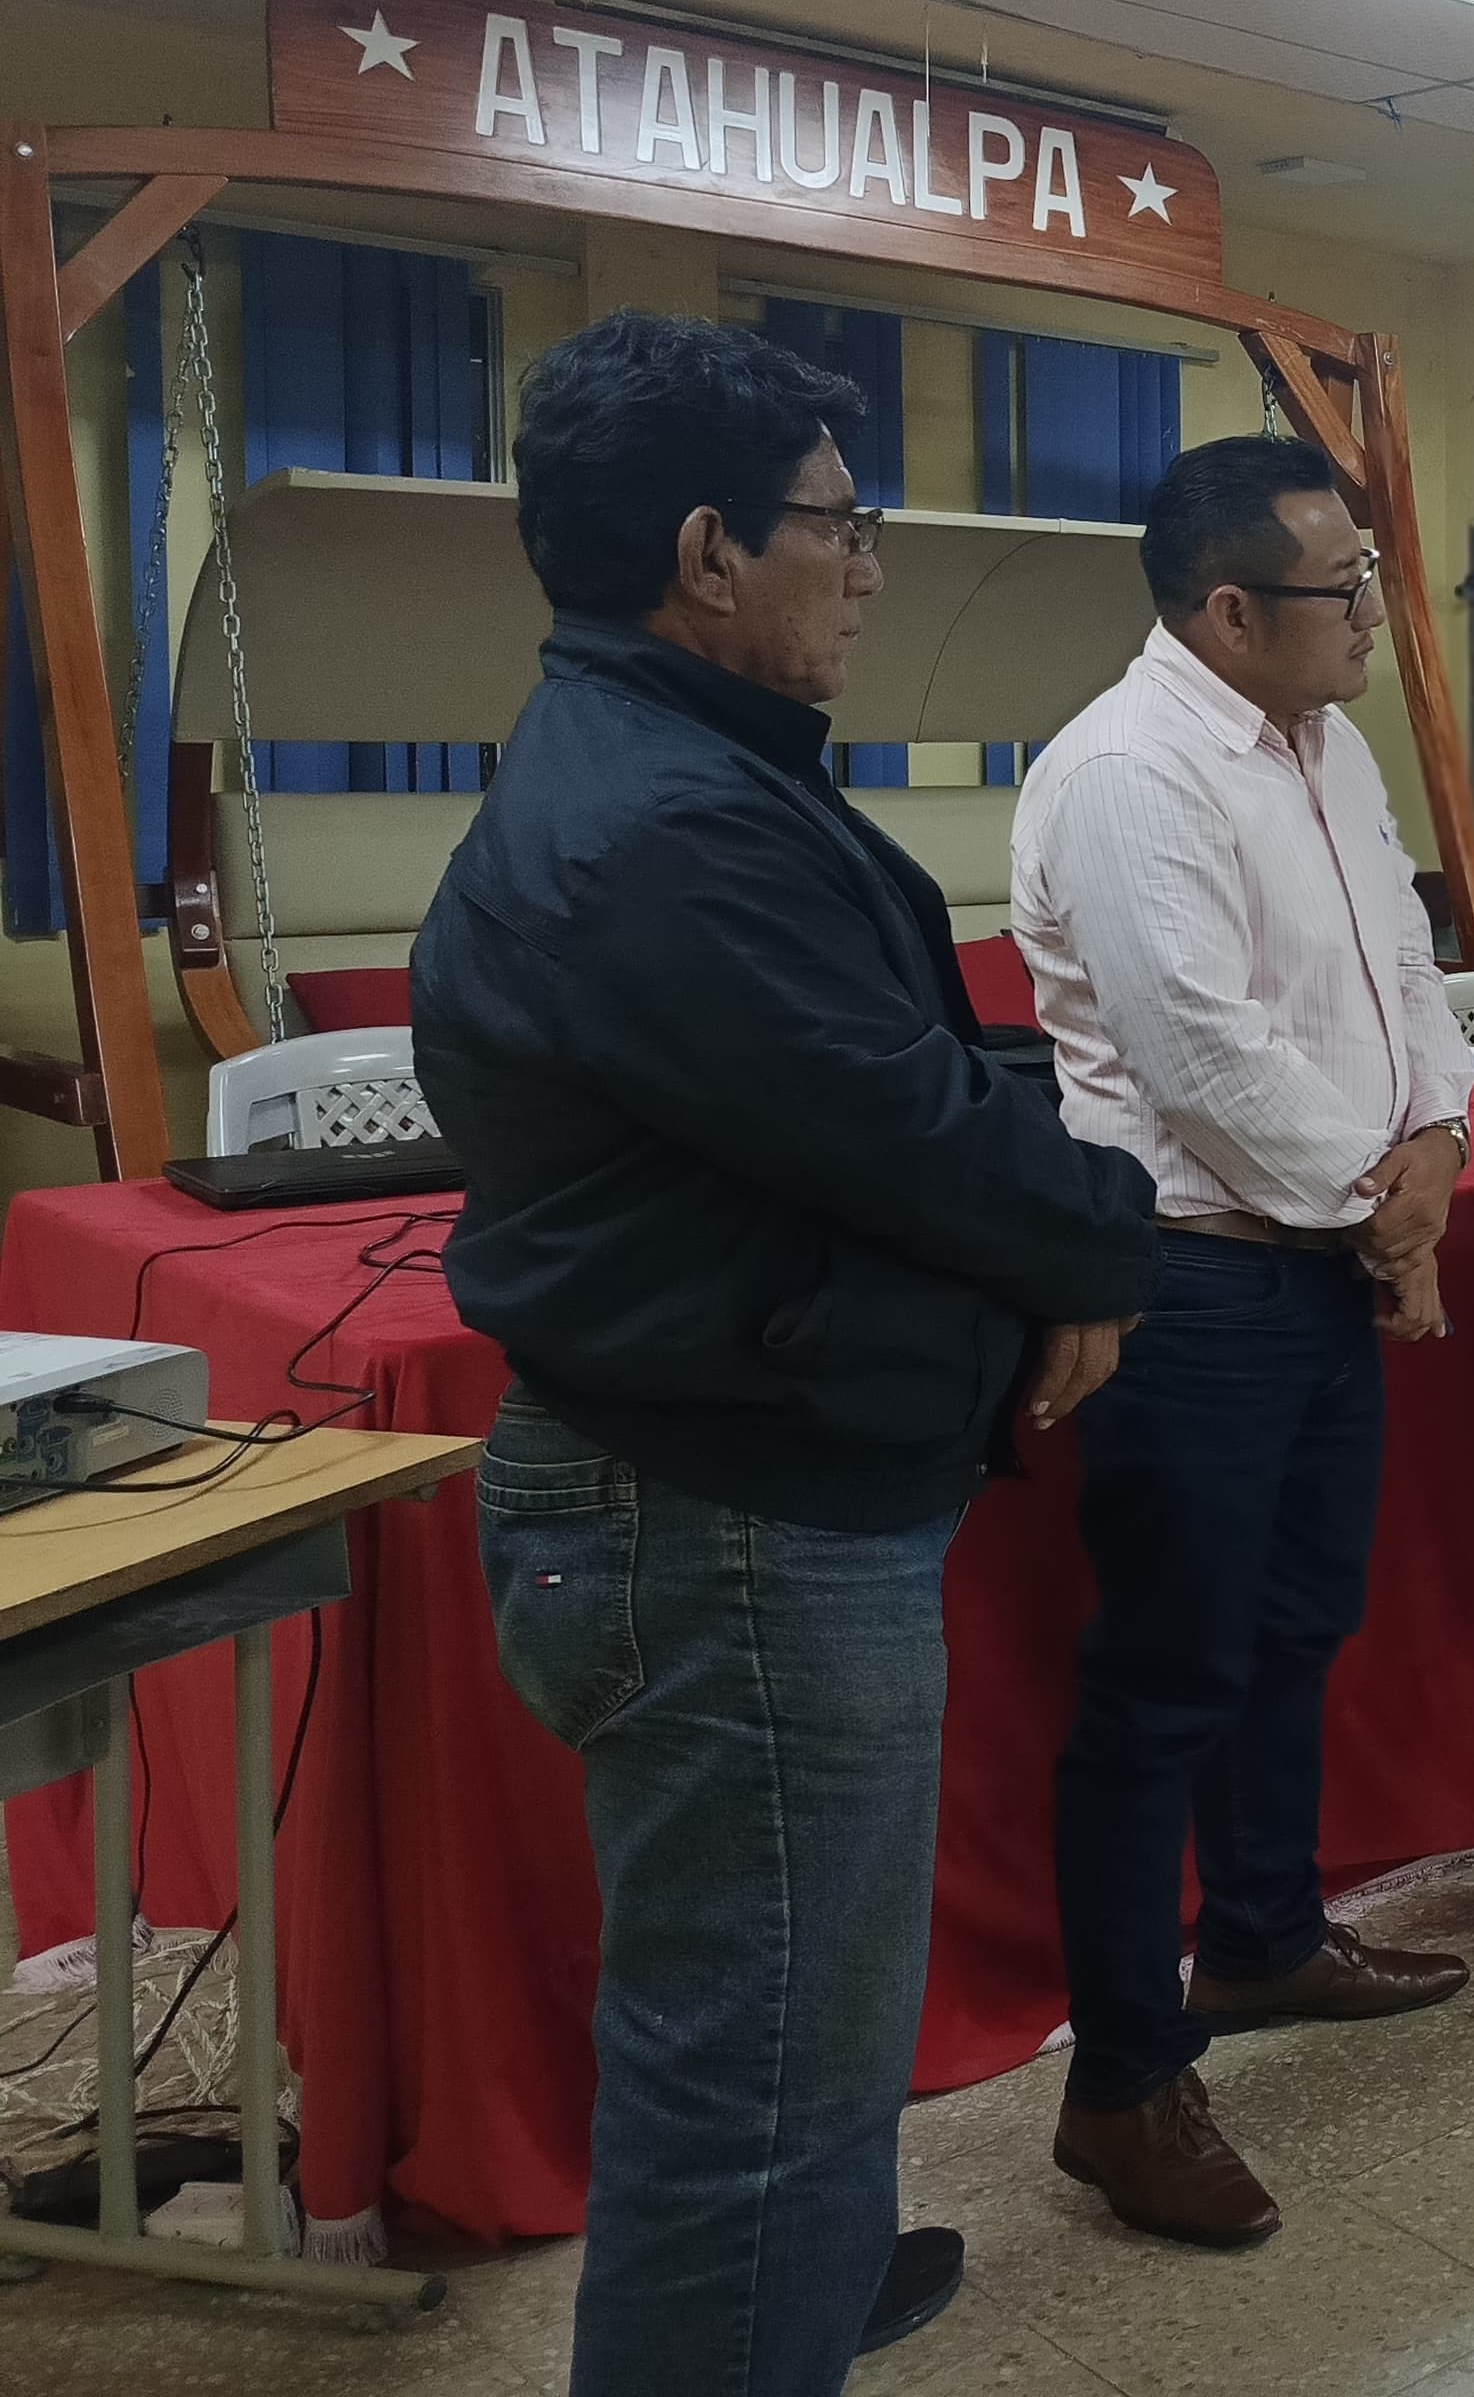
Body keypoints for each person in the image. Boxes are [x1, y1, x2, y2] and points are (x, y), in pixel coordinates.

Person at [417, 311, 1161, 2397]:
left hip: (734, 1488)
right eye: (843, 523)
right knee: (752, 2090)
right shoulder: (667, 823)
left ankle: (794, 2283)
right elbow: (900, 1129)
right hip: (725, 1528)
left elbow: (906, 1075)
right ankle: (758, 2297)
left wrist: (1058, 1231)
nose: (872, 568)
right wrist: (1103, 1239)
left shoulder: (681, 763)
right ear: (706, 550)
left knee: (789, 2047)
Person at [1012, 435, 1474, 2250]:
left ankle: (1267, 1934)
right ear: (1226, 609)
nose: (1372, 612)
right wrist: (1389, 1206)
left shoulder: (1327, 744)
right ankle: (1124, 2082)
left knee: (1295, 1626)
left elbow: (1409, 969)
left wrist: (1434, 1142)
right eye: (1340, 586)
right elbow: (1201, 1057)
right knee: (1162, 1686)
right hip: (1194, 1281)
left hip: (1327, 1257)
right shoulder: (1128, 772)